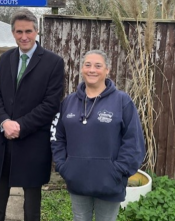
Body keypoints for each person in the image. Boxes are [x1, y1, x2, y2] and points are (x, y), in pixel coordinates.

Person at [0, 8, 65, 221]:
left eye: (28, 31)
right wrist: (3, 123)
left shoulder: (53, 62)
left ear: (36, 31)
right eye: (19, 32)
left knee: (31, 210)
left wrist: (20, 126)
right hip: (3, 142)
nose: (24, 36)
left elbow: (51, 104)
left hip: (33, 143)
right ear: (13, 33)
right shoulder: (5, 59)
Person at [51, 49, 146, 221]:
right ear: (82, 69)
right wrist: (64, 166)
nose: (92, 70)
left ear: (107, 70)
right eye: (87, 65)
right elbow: (58, 137)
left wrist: (117, 171)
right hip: (77, 179)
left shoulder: (122, 101)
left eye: (98, 66)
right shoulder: (69, 102)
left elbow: (133, 142)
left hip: (109, 182)